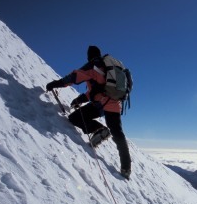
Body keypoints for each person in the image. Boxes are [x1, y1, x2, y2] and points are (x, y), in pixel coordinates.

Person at [46, 45, 132, 180]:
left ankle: (99, 129)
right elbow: (97, 89)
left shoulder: (93, 65)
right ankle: (126, 168)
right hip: (114, 105)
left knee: (74, 117)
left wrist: (55, 84)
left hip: (100, 104)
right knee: (118, 134)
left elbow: (73, 77)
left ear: (89, 56)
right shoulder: (109, 67)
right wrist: (80, 99)